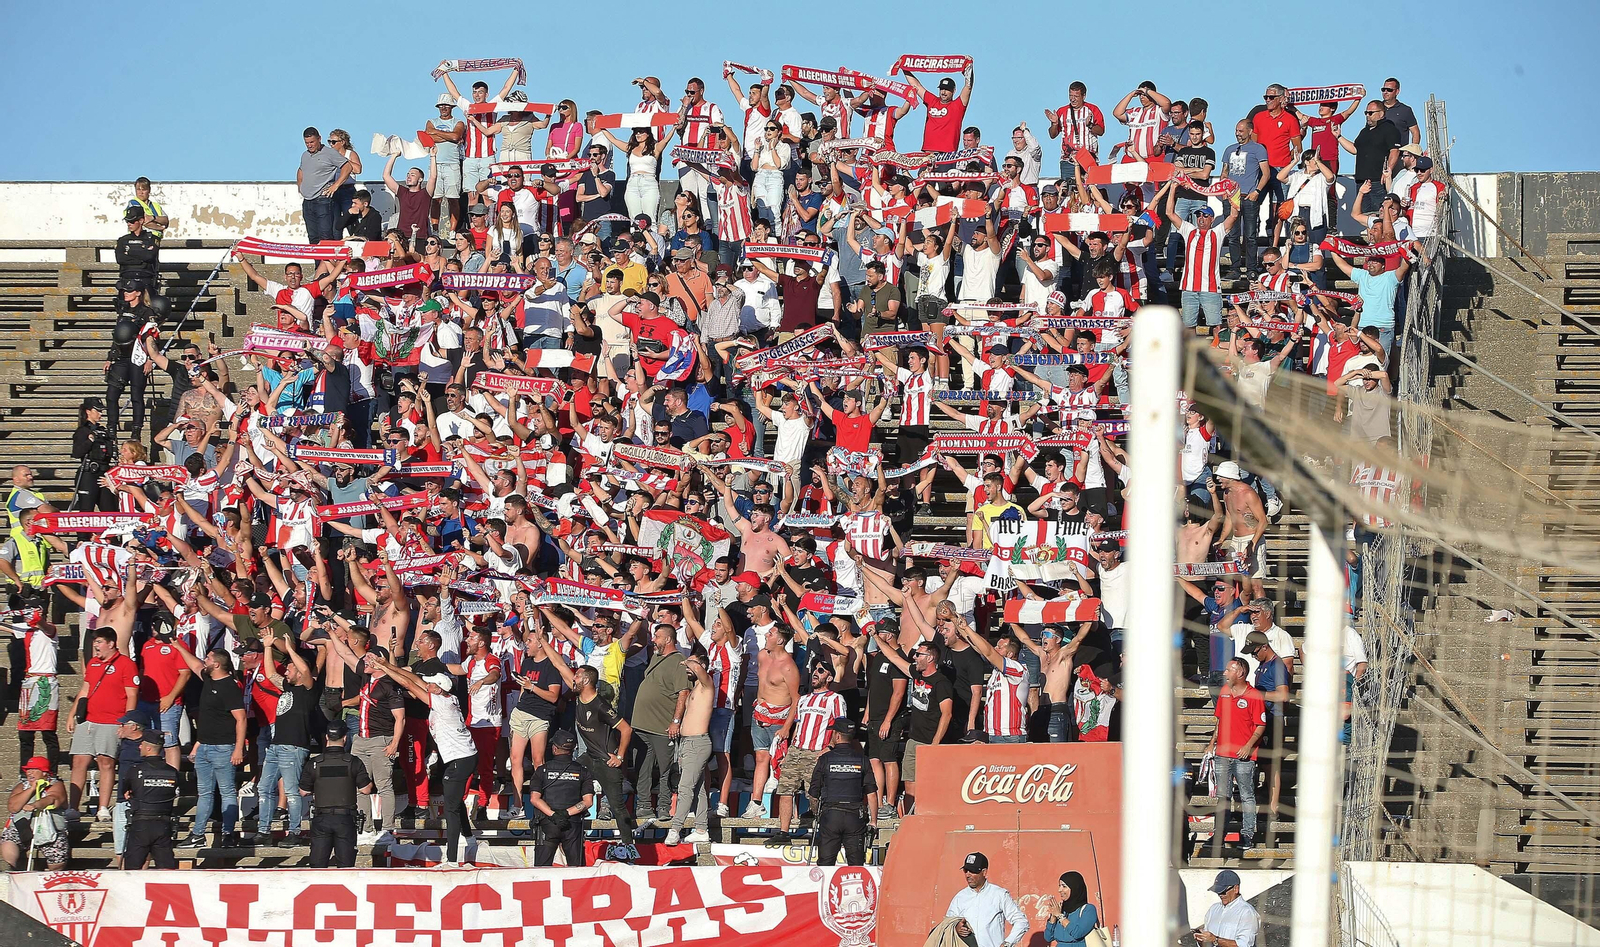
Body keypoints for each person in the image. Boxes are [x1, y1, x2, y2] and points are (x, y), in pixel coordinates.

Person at [1206, 658, 1266, 852]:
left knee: (1246, 795)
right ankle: (1219, 834)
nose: (1224, 673)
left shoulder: (1254, 695)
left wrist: (1249, 746)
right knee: (1222, 797)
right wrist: (1211, 744)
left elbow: (1261, 724)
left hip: (1244, 756)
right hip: (1223, 753)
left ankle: (1247, 834)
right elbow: (1219, 720)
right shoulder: (1224, 692)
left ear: (1240, 673)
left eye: (1228, 670)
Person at [300, 719, 374, 868]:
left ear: (326, 737)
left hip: (321, 818)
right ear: (345, 738)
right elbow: (365, 789)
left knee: (317, 868)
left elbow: (303, 791)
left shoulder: (315, 762)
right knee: (346, 867)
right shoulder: (353, 762)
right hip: (345, 819)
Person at [807, 718, 876, 866]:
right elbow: (871, 792)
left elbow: (813, 793)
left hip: (831, 816)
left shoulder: (825, 759)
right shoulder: (862, 760)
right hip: (855, 818)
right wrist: (874, 821)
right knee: (856, 864)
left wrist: (816, 813)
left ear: (837, 736)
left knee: (825, 865)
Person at [528, 729, 593, 867]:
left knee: (541, 871)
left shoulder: (542, 770)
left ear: (554, 748)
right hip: (572, 824)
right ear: (572, 749)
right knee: (577, 871)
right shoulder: (583, 771)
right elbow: (588, 802)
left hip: (548, 823)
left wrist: (554, 815)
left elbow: (534, 799)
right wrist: (566, 814)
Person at [944, 852, 1029, 947]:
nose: (968, 875)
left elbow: (1021, 921)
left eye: (972, 871)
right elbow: (946, 925)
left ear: (984, 872)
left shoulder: (999, 894)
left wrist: (1007, 943)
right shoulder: (959, 897)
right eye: (966, 870)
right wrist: (956, 928)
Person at [120, 732, 179, 869]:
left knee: (132, 871)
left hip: (141, 824)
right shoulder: (172, 772)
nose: (139, 746)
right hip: (163, 825)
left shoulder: (135, 770)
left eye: (142, 744)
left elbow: (126, 792)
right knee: (166, 869)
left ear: (148, 748)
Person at [1, 757, 68, 870]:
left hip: (50, 830)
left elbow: (53, 799)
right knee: (8, 839)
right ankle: (10, 870)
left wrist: (36, 805)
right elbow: (13, 807)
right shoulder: (22, 786)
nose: (29, 772)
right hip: (23, 828)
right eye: (28, 769)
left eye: (34, 769)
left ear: (44, 773)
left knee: (57, 855)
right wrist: (32, 789)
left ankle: (53, 875)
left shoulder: (56, 785)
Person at [298, 127, 353, 243]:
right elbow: (301, 170)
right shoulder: (305, 155)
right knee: (313, 237)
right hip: (307, 200)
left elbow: (347, 167)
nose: (309, 145)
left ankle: (328, 261)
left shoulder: (329, 153)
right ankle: (318, 262)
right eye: (307, 143)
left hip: (323, 200)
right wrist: (300, 187)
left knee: (325, 236)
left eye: (312, 142)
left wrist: (336, 185)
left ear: (319, 139)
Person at [1196, 869, 1260, 947]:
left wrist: (1215, 940)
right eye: (1218, 892)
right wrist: (1201, 939)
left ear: (1236, 889)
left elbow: (1244, 945)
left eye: (1223, 891)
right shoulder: (1213, 909)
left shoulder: (1247, 912)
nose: (1220, 895)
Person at [1044, 871, 1099, 947]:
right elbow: (1048, 937)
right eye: (1059, 886)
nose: (1059, 890)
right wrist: (1053, 917)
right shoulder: (1062, 910)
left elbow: (1077, 933)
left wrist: (1060, 916)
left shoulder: (1088, 909)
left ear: (1074, 888)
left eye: (1064, 886)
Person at [115, 205, 160, 287]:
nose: (129, 224)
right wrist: (141, 259)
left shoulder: (152, 239)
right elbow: (120, 259)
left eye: (132, 221)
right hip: (127, 278)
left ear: (141, 221)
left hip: (145, 278)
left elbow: (150, 256)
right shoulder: (122, 240)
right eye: (127, 221)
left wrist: (129, 252)